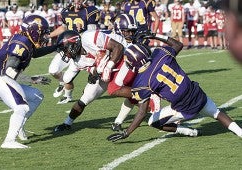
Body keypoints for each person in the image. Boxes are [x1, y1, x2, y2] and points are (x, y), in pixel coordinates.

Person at [107, 33, 242, 142]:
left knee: (152, 121)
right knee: (217, 113)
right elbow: (178, 44)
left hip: (183, 107)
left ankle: (186, 130)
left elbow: (142, 112)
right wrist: (154, 35)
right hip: (197, 94)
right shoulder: (161, 54)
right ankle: (240, 132)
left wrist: (127, 132)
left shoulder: (142, 82)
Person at [0, 15, 52, 149]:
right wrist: (32, 79)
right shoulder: (21, 42)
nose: (44, 36)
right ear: (33, 30)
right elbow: (9, 71)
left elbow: (35, 53)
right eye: (42, 33)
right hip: (0, 79)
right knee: (21, 107)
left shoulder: (24, 40)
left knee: (36, 96)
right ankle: (9, 141)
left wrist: (56, 47)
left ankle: (19, 126)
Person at [47, 0, 99, 104]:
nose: (78, 1)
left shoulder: (89, 11)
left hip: (80, 49)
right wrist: (49, 36)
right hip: (67, 47)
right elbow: (63, 28)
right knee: (53, 70)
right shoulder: (66, 11)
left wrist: (83, 30)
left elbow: (93, 33)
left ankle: (67, 96)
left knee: (68, 77)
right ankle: (62, 83)